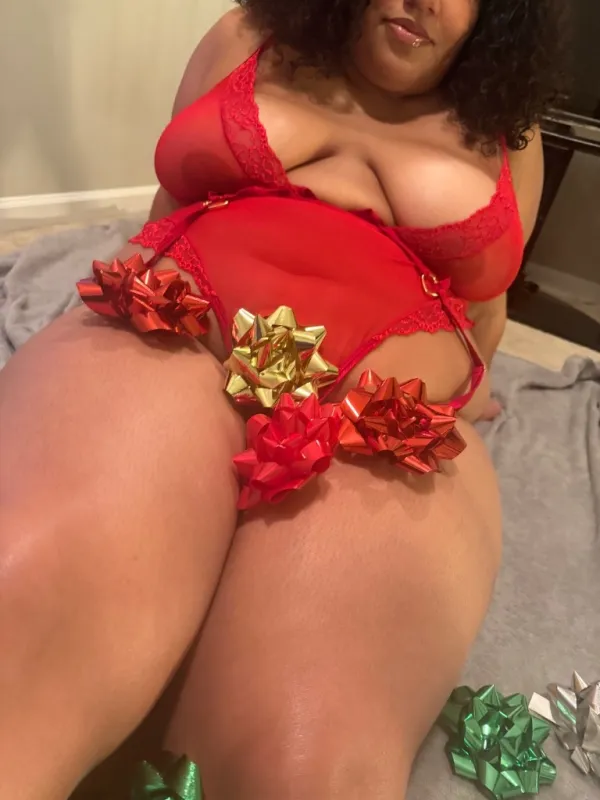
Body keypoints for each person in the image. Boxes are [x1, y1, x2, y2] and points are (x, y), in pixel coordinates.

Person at [0, 1, 565, 798]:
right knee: (27, 614)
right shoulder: (249, 37)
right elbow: (174, 194)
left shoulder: (504, 125)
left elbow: (487, 301)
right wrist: (134, 275)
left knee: (300, 759)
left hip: (384, 421)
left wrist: (466, 385)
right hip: (177, 336)